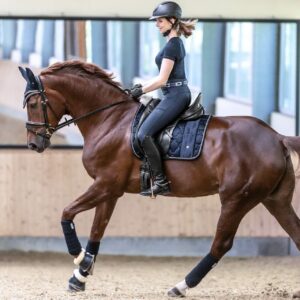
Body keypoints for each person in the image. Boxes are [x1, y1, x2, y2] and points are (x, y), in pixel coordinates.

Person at [131, 1, 197, 196]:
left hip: (175, 96)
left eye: (160, 20)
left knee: (144, 135)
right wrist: (140, 86)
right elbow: (162, 78)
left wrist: (140, 91)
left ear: (172, 20)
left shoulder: (172, 46)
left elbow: (162, 80)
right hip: (174, 93)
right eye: (157, 21)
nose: (157, 24)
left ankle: (161, 182)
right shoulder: (172, 43)